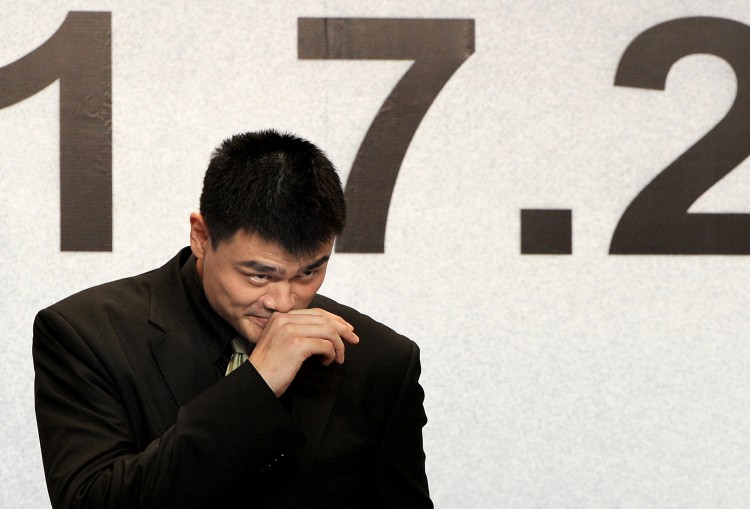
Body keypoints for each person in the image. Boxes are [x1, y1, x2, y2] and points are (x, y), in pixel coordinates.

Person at [32, 130, 432, 508]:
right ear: (201, 237)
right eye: (260, 275)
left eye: (308, 273)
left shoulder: (379, 360)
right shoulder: (86, 335)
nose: (284, 302)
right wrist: (255, 387)